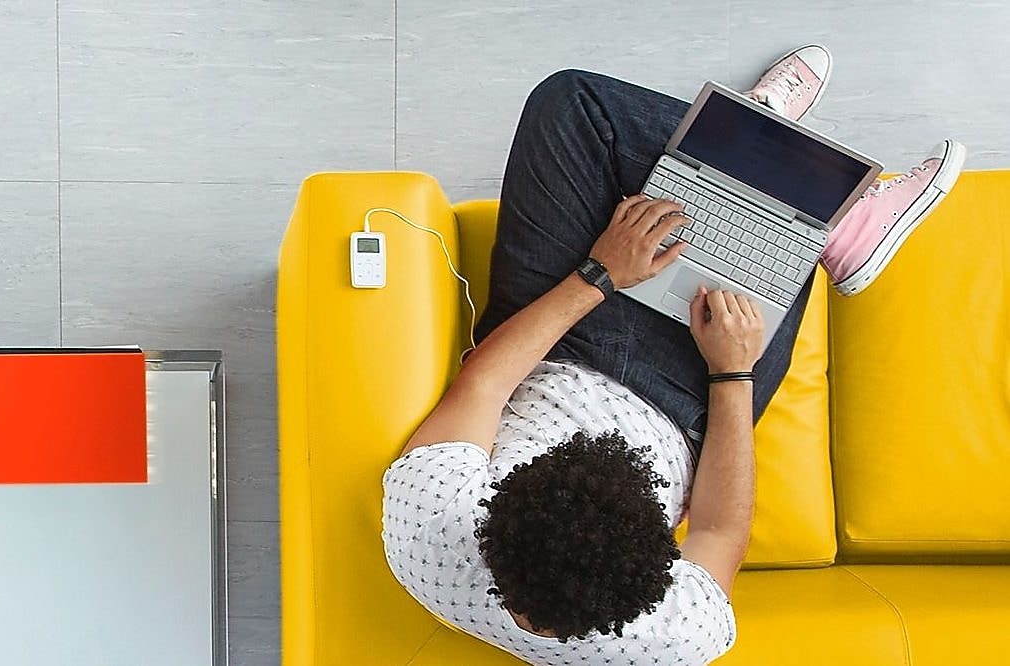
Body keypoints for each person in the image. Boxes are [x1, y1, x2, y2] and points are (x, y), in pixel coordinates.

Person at [381, 45, 966, 665]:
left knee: (574, 103)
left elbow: (489, 385)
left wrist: (600, 273)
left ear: (495, 511)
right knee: (763, 249)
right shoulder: (673, 637)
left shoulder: (429, 525)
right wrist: (733, 369)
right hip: (688, 399)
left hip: (552, 348)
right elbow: (716, 530)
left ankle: (757, 140)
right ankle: (803, 193)